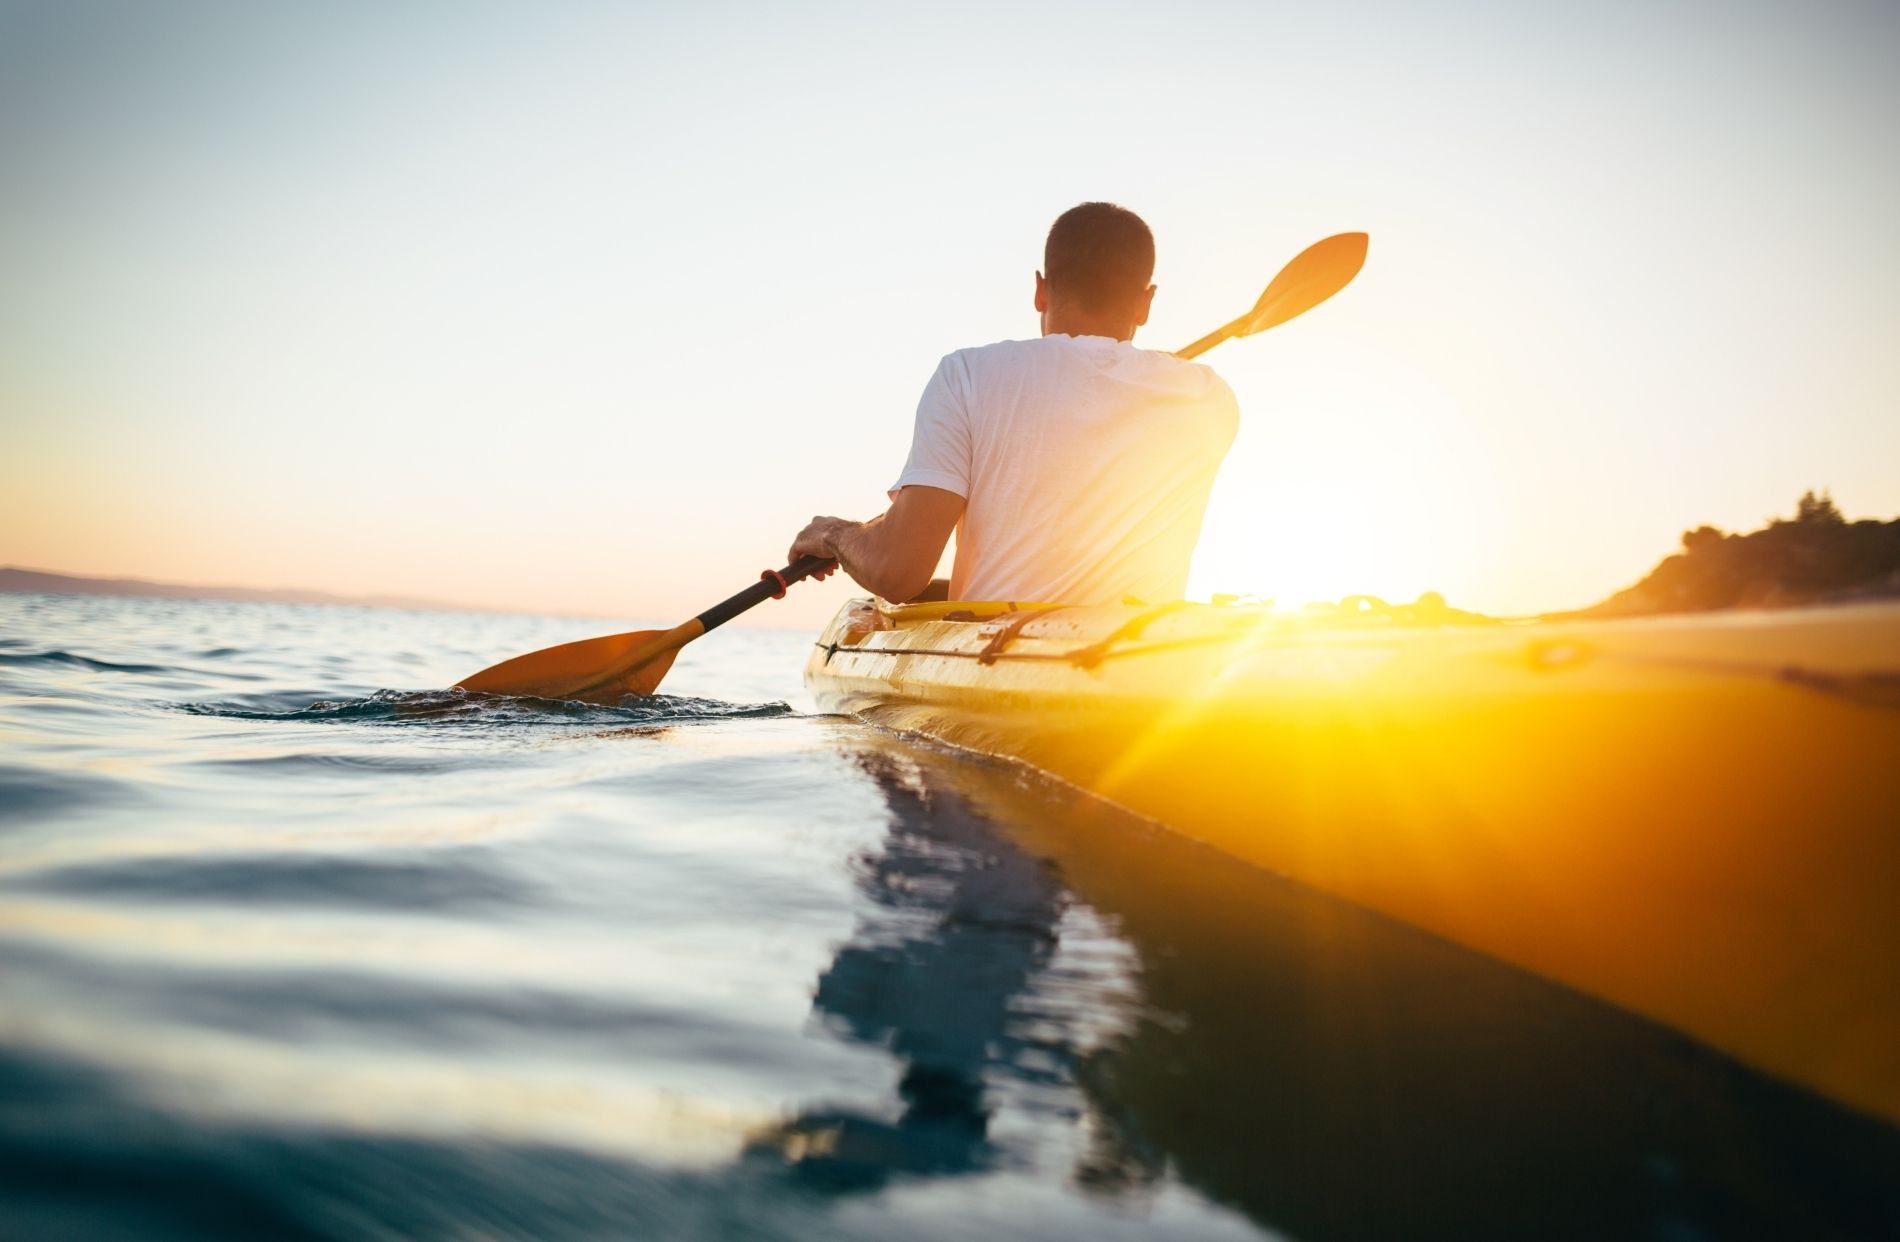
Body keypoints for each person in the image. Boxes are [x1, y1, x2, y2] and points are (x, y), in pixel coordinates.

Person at [788, 202, 1239, 605]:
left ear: (1040, 290)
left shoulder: (966, 374)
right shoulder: (1207, 396)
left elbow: (898, 572)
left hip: (988, 665)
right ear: (1146, 303)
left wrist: (834, 534)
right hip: (1143, 665)